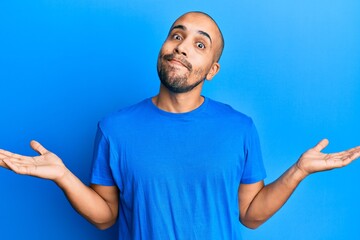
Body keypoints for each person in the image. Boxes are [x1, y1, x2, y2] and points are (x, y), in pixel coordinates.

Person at [0, 11, 359, 239]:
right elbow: (105, 217)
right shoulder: (114, 128)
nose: (182, 47)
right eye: (177, 35)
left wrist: (298, 171)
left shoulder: (239, 128)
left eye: (199, 44)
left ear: (212, 70)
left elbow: (250, 215)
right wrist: (63, 176)